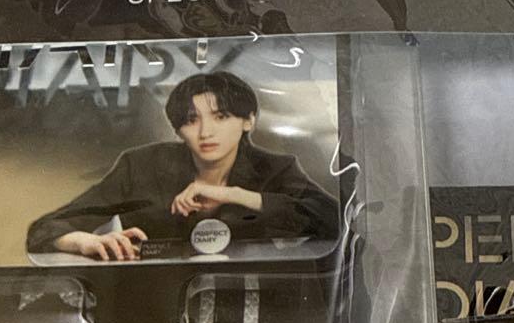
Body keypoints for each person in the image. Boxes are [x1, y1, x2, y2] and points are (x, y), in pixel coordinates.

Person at [26, 71, 340, 261]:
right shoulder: (141, 166)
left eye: (221, 117)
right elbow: (44, 228)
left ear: (248, 121)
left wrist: (236, 194)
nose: (205, 132)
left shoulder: (274, 169)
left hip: (250, 298)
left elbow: (333, 220)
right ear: (178, 130)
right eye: (191, 120)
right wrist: (85, 241)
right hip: (155, 300)